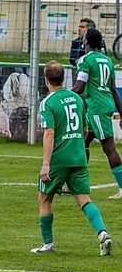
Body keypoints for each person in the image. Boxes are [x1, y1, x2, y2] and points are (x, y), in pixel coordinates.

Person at [34, 62, 112, 255]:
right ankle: (102, 234)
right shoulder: (77, 98)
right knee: (84, 199)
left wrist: (46, 164)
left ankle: (48, 244)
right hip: (79, 157)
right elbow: (85, 129)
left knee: (44, 198)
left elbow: (49, 133)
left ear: (46, 79)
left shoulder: (48, 103)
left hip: (59, 159)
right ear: (63, 78)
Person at [71, 28, 122, 200]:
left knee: (109, 148)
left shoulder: (85, 60)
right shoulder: (107, 60)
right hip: (102, 105)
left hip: (97, 108)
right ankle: (78, 184)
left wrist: (60, 95)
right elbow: (113, 89)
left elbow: (79, 88)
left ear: (85, 41)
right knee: (82, 143)